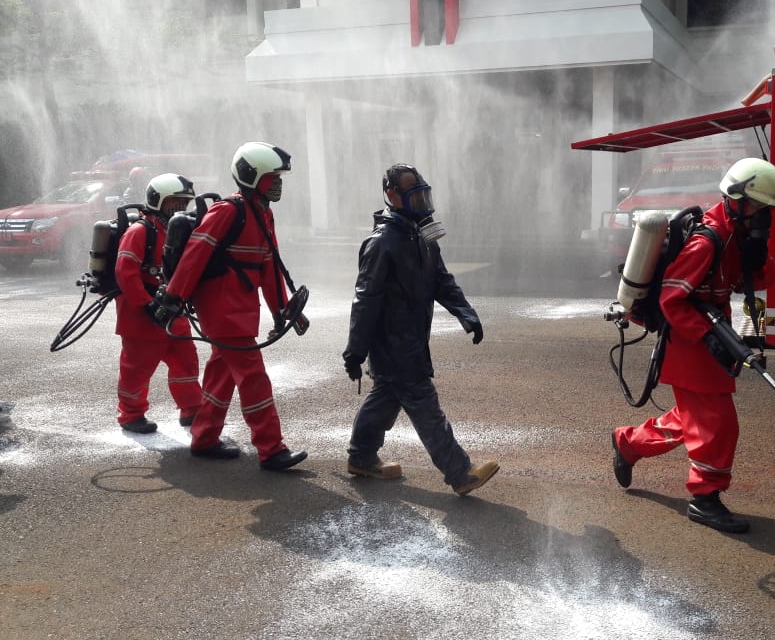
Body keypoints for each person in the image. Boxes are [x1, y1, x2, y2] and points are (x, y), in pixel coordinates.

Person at [610, 158, 775, 533]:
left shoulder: (735, 237)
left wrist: (757, 258)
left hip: (709, 334)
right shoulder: (705, 241)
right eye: (761, 209)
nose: (765, 218)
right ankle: (704, 498)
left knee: (690, 419)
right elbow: (671, 300)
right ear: (737, 201)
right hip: (692, 340)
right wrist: (707, 337)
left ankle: (628, 443)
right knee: (718, 423)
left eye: (769, 211)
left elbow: (758, 282)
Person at [342, 163, 498, 496]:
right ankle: (460, 473)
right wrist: (355, 351)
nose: (421, 202)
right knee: (424, 406)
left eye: (423, 194)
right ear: (392, 195)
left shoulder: (423, 238)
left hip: (411, 339)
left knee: (385, 398)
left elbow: (442, 281)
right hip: (393, 345)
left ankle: (361, 457)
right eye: (414, 195)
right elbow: (365, 300)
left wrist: (466, 314)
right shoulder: (381, 243)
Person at [156, 142, 308, 472]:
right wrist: (174, 297)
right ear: (252, 177)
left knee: (221, 374)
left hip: (238, 308)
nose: (279, 183)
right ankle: (271, 448)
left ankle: (204, 438)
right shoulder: (227, 210)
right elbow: (195, 255)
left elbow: (269, 266)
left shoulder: (263, 213)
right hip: (221, 309)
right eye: (273, 177)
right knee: (253, 377)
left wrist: (284, 310)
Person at [114, 173, 202, 434]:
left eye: (183, 203)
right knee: (137, 369)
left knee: (186, 364)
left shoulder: (180, 230)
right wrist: (147, 304)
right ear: (157, 201)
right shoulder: (140, 231)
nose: (179, 209)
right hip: (141, 315)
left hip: (173, 311)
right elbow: (125, 271)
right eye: (173, 203)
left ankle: (192, 409)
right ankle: (131, 415)